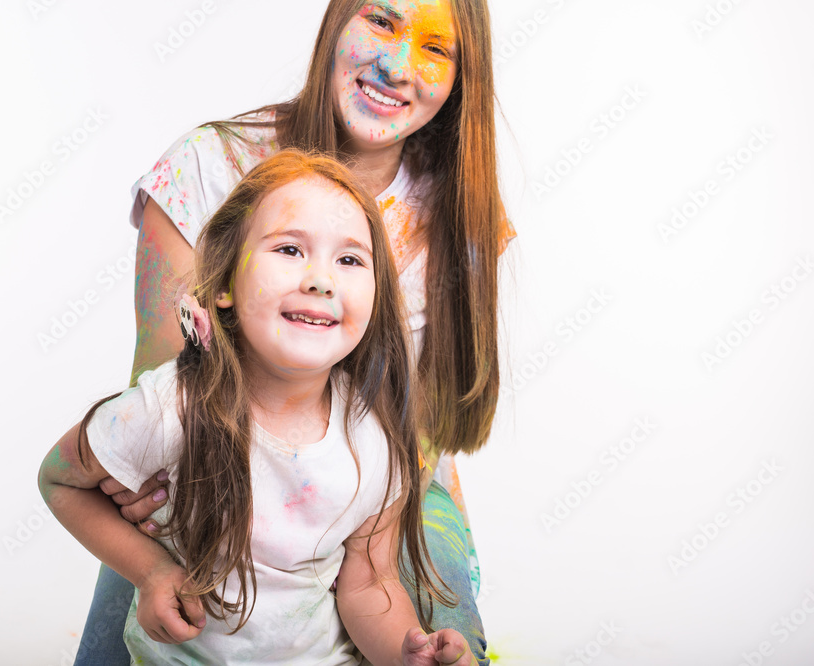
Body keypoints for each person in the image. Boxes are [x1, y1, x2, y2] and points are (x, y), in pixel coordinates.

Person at [82, 0, 517, 662]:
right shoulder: (205, 168)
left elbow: (420, 437)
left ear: (463, 78)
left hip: (383, 498)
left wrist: (353, 543)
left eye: (436, 48)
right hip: (205, 476)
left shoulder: (458, 212)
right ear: (337, 20)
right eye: (382, 20)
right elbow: (161, 396)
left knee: (443, 646)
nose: (397, 65)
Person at [40, 150, 477, 665]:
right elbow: (60, 479)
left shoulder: (375, 440)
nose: (321, 280)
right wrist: (150, 569)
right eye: (290, 249)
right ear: (224, 283)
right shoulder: (171, 407)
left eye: (350, 259)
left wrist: (409, 656)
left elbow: (369, 586)